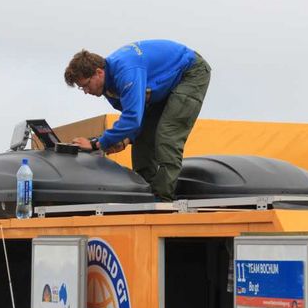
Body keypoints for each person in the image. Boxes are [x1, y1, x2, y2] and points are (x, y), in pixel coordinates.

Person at [64, 39, 211, 201]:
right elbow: (139, 117)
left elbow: (132, 118)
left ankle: (162, 200)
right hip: (165, 85)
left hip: (190, 73)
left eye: (86, 85)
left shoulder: (126, 72)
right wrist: (125, 139)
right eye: (81, 88)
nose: (85, 91)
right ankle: (145, 194)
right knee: (143, 139)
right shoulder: (109, 87)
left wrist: (96, 144)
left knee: (167, 136)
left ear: (99, 73)